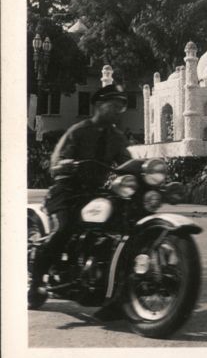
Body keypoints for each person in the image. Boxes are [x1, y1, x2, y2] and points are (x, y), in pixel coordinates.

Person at [29, 84, 132, 315]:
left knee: (119, 230)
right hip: (66, 191)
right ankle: (36, 284)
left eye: (120, 106)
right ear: (97, 105)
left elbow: (126, 163)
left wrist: (141, 171)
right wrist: (64, 165)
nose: (117, 110)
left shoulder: (116, 137)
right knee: (64, 229)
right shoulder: (78, 131)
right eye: (113, 105)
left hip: (93, 194)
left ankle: (113, 295)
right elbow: (55, 164)